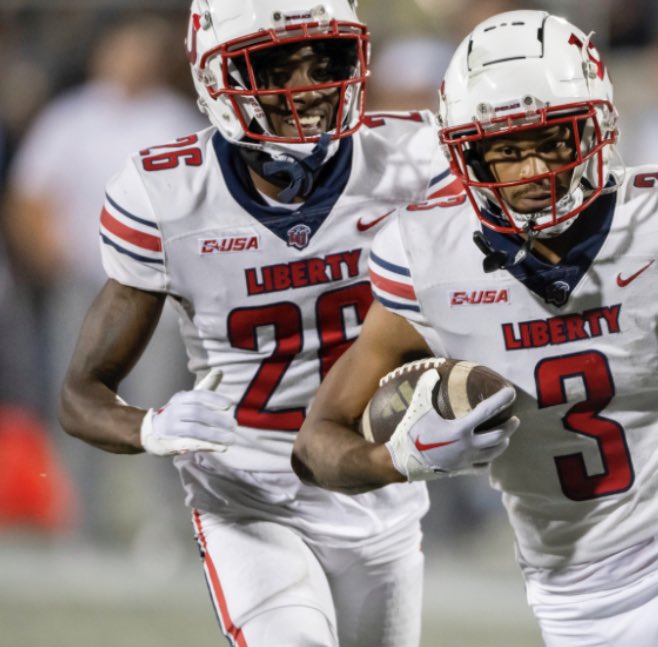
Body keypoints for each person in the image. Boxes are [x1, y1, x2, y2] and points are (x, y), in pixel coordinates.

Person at [293, 10, 658, 646]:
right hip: (571, 595)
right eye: (506, 150)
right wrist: (392, 460)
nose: (530, 172)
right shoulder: (428, 259)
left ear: (597, 127)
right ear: (466, 152)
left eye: (551, 140)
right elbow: (313, 446)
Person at [58, 1, 460, 645]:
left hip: (379, 487)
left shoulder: (417, 161)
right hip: (247, 495)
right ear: (218, 78)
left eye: (325, 59)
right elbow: (81, 393)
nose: (310, 88)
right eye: (277, 65)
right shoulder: (169, 195)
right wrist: (150, 428)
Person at [4, 14, 206, 545]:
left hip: (159, 291)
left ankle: (164, 528)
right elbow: (28, 198)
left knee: (159, 402)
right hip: (83, 284)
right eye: (125, 50)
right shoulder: (70, 118)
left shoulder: (175, 117)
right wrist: (52, 261)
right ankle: (79, 525)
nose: (133, 62)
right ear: (103, 55)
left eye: (144, 51)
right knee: (76, 401)